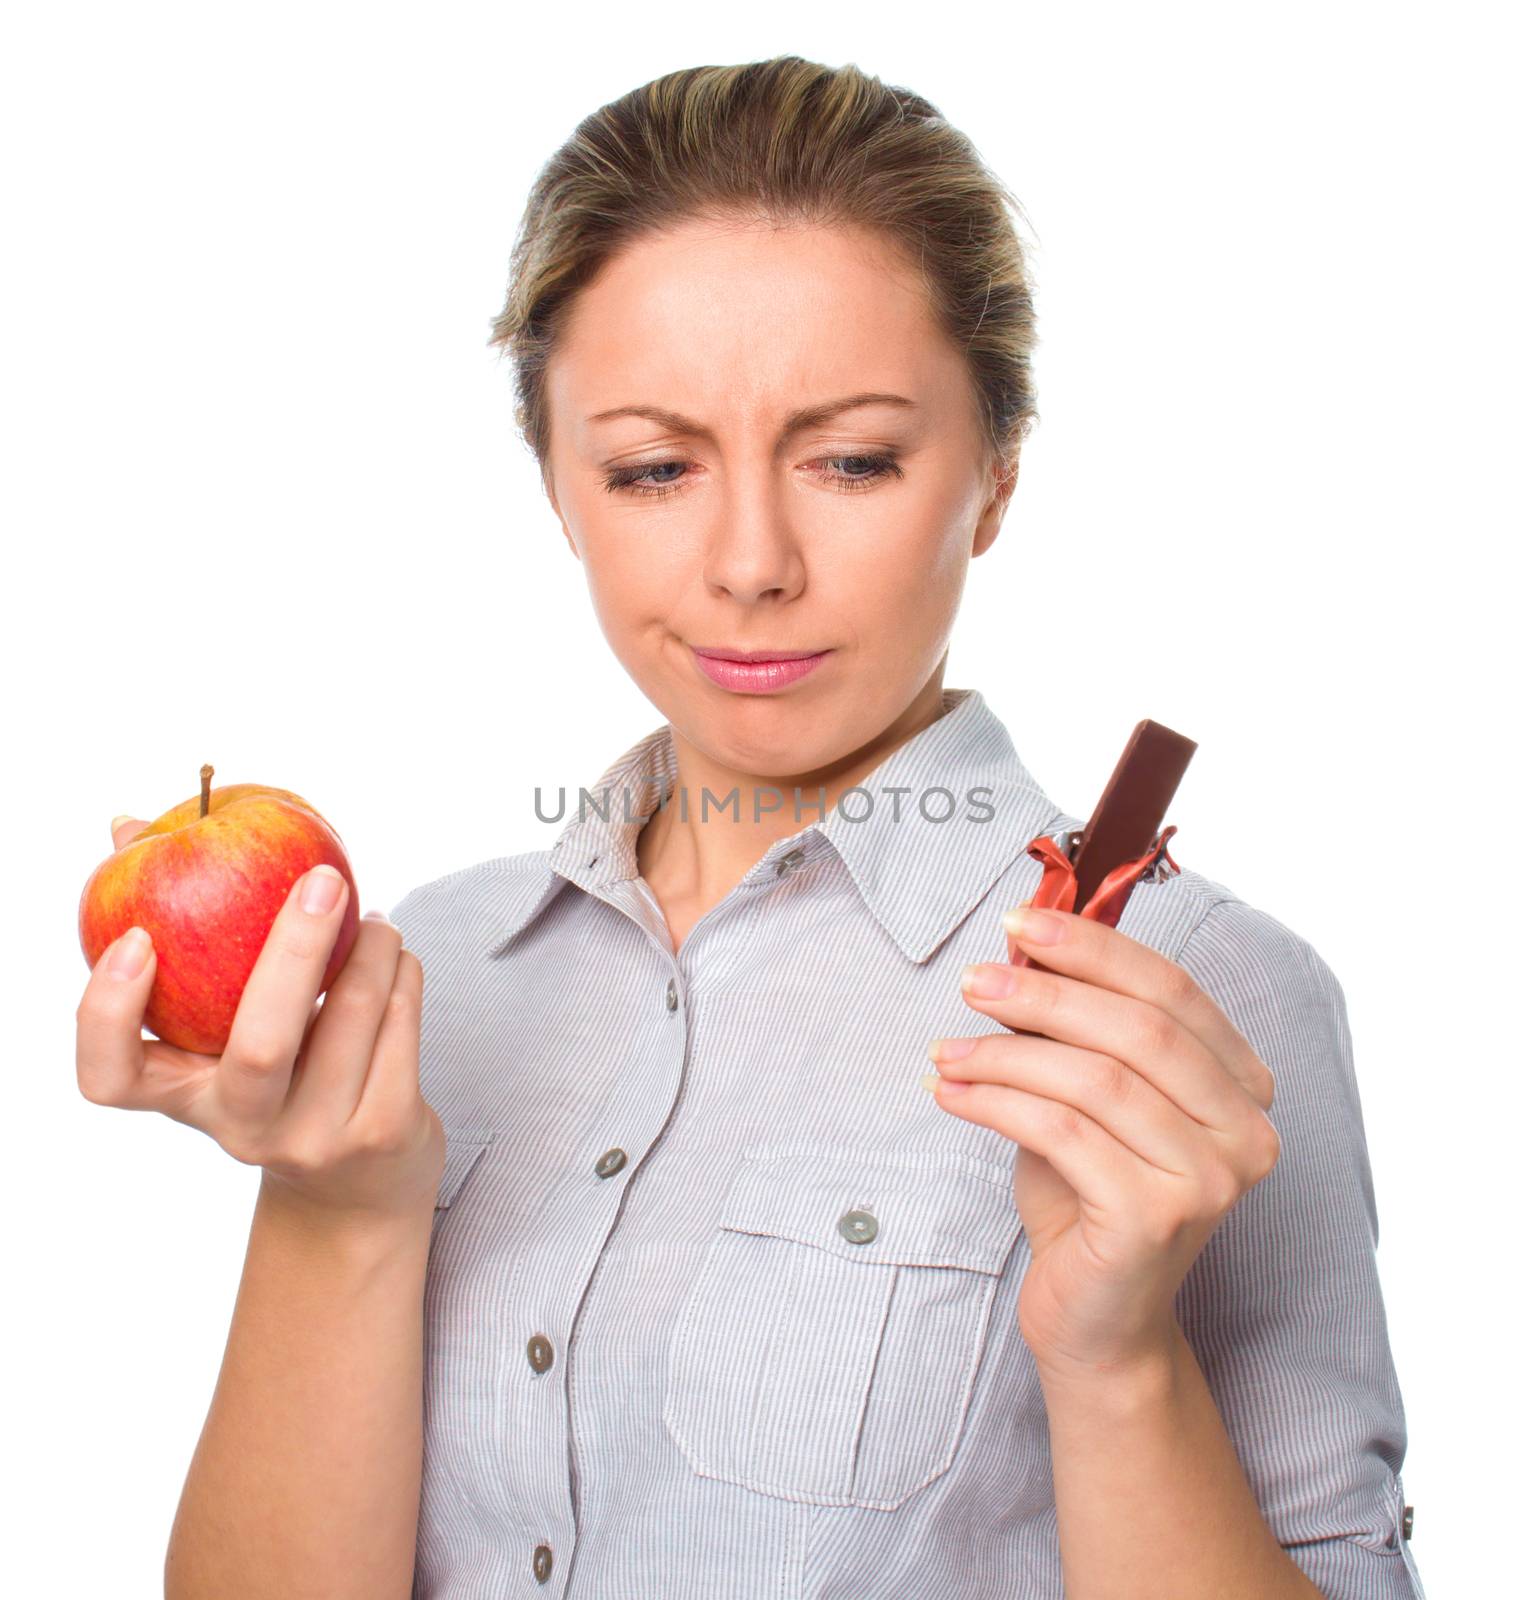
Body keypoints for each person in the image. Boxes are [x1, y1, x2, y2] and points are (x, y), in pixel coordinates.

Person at [77, 55, 1426, 1600]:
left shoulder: (1190, 996)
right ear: (556, 489)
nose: (749, 563)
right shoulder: (422, 972)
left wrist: (1116, 1365)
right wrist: (336, 1206)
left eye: (852, 458)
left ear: (993, 474)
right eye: (652, 469)